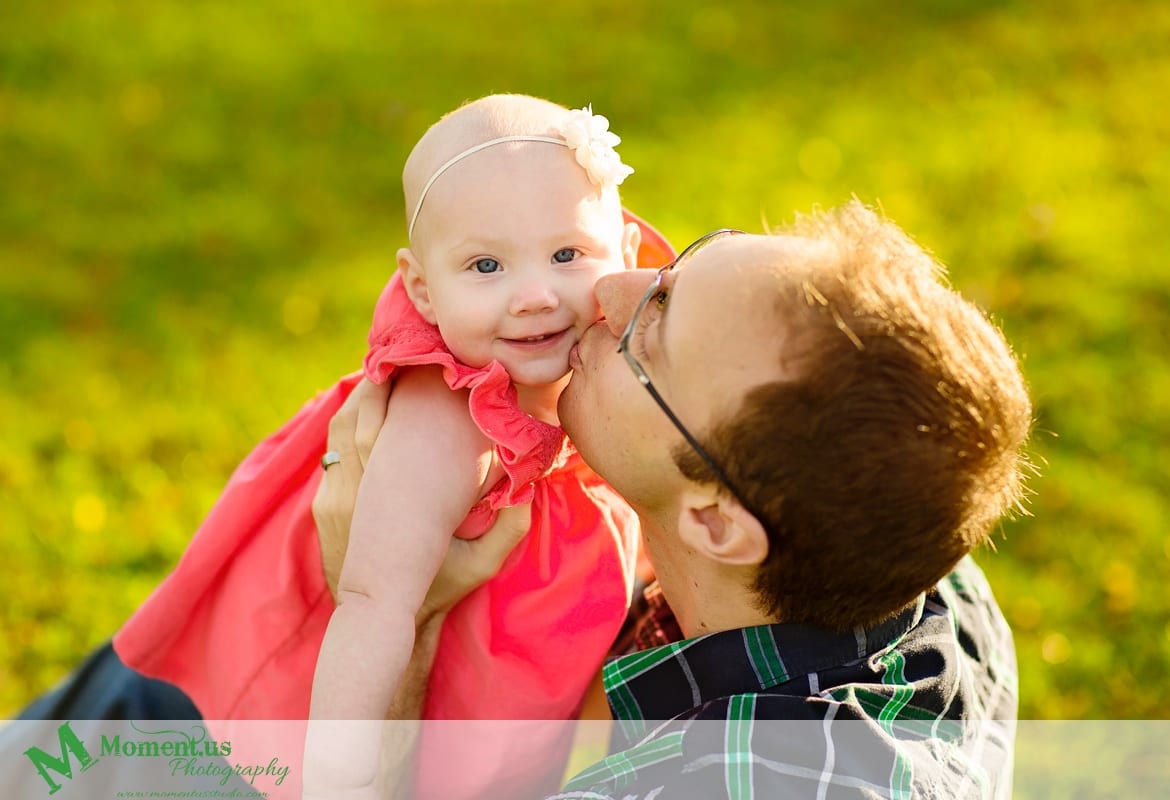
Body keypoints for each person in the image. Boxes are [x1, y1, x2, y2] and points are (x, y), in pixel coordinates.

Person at [53, 94, 673, 798]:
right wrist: (341, 774)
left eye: (567, 253)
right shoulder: (447, 421)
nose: (534, 295)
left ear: (624, 252)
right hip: (335, 688)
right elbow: (373, 600)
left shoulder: (628, 350)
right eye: (485, 267)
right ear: (422, 289)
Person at [313, 200, 1033, 799]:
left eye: (651, 333)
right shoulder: (931, 580)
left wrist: (409, 617)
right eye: (675, 269)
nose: (609, 290)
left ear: (715, 521)